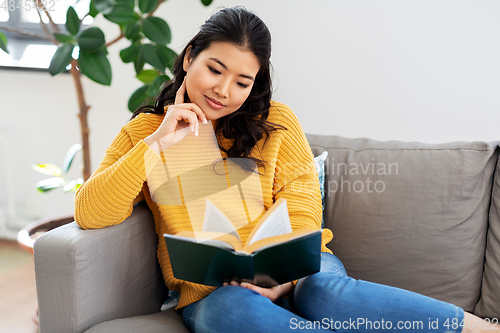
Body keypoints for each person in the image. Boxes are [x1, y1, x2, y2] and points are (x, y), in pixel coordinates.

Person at [74, 6, 498, 333]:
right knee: (230, 310)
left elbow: (301, 207)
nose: (223, 91)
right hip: (212, 292)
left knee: (323, 290)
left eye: (242, 81)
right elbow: (91, 213)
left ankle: (479, 328)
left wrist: (279, 278)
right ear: (189, 58)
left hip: (297, 270)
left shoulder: (277, 122)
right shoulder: (146, 132)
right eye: (214, 70)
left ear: (255, 83)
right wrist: (156, 144)